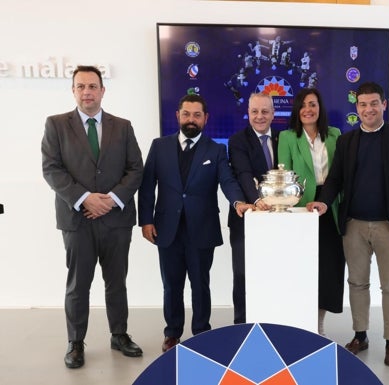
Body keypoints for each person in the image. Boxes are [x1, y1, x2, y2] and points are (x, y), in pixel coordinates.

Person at [307, 81, 389, 366]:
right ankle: (361, 335)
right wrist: (323, 202)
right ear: (356, 109)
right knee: (357, 283)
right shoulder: (347, 141)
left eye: (373, 103)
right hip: (354, 225)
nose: (368, 109)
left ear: (384, 104)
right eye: (362, 104)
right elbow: (335, 180)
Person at [41, 65, 144, 369]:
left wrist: (110, 200)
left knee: (117, 282)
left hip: (116, 220)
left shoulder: (122, 126)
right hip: (77, 220)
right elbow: (52, 169)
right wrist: (85, 199)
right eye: (81, 86)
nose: (87, 92)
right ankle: (75, 342)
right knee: (78, 284)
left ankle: (119, 334)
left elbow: (135, 169)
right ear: (73, 91)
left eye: (92, 86)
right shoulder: (56, 125)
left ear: (102, 90)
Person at [138, 94, 254, 352]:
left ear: (206, 119)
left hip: (201, 229)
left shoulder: (216, 150)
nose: (191, 119)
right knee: (172, 284)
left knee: (200, 283)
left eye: (197, 115)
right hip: (167, 229)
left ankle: (201, 332)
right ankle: (172, 333)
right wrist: (145, 221)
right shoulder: (159, 146)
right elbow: (147, 187)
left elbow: (228, 181)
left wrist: (237, 203)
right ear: (178, 116)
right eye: (187, 114)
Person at [278, 88, 345, 336]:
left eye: (313, 104)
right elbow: (285, 175)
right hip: (301, 208)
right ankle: (300, 323)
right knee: (301, 267)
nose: (308, 109)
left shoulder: (335, 135)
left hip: (330, 206)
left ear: (320, 108)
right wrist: (297, 204)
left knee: (328, 267)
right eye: (303, 104)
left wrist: (328, 198)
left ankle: (318, 324)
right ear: (297, 109)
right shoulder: (287, 137)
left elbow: (340, 174)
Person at [227, 93, 276, 324]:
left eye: (265, 111)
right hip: (245, 219)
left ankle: (271, 322)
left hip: (278, 221)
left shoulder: (283, 139)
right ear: (248, 113)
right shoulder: (237, 140)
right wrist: (257, 201)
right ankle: (241, 325)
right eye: (255, 111)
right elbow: (244, 174)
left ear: (273, 114)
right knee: (243, 276)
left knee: (272, 274)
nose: (260, 116)